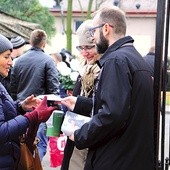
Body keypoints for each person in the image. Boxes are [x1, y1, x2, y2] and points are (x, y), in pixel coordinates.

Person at [61, 6, 154, 170]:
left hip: (116, 159)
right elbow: (124, 106)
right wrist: (80, 103)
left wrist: (80, 134)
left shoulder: (115, 61)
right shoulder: (135, 58)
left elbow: (112, 114)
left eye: (93, 33)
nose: (93, 38)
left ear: (105, 29)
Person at [0, 33, 55, 169]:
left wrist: (21, 106)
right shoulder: (47, 60)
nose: (11, 62)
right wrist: (33, 116)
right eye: (6, 57)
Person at [10, 29, 60, 161]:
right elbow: (53, 90)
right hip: (39, 110)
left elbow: (13, 88)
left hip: (20, 109)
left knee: (21, 145)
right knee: (39, 144)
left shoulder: (18, 61)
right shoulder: (48, 61)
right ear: (44, 44)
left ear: (31, 42)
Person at [61, 19, 101, 170]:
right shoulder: (84, 69)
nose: (85, 52)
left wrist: (78, 102)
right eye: (81, 47)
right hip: (77, 135)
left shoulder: (106, 68)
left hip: (91, 137)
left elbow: (107, 108)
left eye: (89, 47)